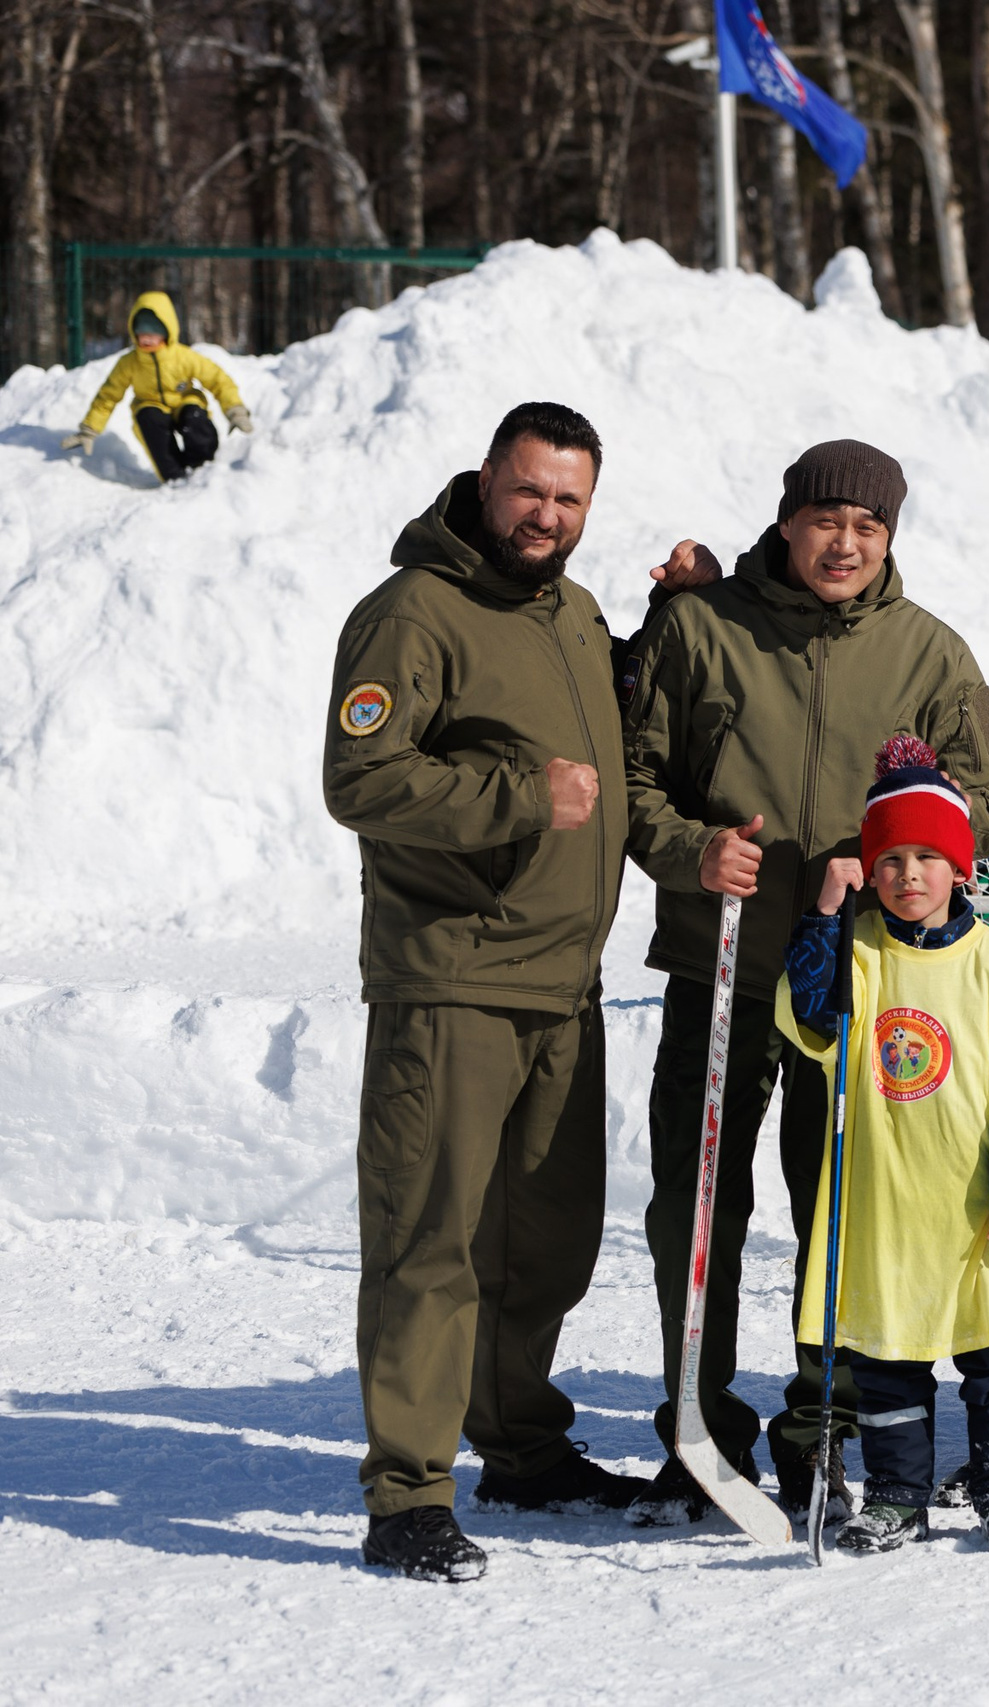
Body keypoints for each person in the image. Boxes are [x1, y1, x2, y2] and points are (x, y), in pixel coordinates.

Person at [617, 439, 989, 1525]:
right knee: (696, 1208)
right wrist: (691, 848)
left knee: (840, 1211)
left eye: (868, 528)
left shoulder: (927, 651)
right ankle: (698, 1430)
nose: (846, 544)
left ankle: (821, 1431)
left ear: (890, 538)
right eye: (827, 521)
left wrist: (894, 849)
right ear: (788, 522)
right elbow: (634, 775)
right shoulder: (701, 628)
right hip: (723, 966)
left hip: (862, 987)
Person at [323, 402, 656, 1583]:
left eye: (568, 499)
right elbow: (361, 778)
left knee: (542, 1243)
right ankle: (408, 1494)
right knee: (430, 1242)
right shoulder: (412, 611)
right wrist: (520, 797)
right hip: (453, 977)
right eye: (529, 490)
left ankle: (520, 1448)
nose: (545, 516)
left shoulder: (574, 612)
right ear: (484, 481)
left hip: (563, 981)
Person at [775, 737, 989, 1552]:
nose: (909, 874)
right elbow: (812, 1010)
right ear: (869, 869)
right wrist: (825, 913)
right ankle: (898, 1495)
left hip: (976, 1208)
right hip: (887, 1210)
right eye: (891, 859)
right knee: (887, 1363)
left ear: (959, 867)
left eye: (928, 857)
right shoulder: (860, 950)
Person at [59, 290, 252, 481]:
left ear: (167, 330)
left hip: (184, 402)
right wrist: (89, 429)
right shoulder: (130, 363)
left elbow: (218, 380)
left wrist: (235, 410)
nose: (146, 338)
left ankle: (202, 471)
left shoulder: (183, 357)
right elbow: (108, 395)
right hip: (151, 406)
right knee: (150, 419)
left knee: (195, 418)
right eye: (141, 332)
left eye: (153, 332)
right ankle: (175, 478)